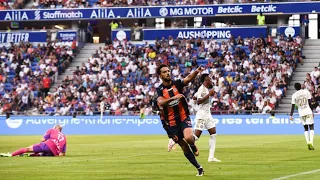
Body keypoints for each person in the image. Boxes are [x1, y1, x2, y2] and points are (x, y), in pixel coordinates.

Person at [156, 64, 204, 176]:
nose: (168, 73)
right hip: (171, 123)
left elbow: (187, 79)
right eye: (164, 72)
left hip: (183, 116)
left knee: (188, 137)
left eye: (168, 71)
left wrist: (196, 71)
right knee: (183, 145)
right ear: (160, 75)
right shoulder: (159, 90)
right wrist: (173, 98)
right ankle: (199, 167)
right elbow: (160, 102)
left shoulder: (176, 83)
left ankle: (192, 144)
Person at [193, 74, 221, 162]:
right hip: (201, 116)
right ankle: (177, 140)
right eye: (209, 79)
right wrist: (208, 95)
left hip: (208, 115)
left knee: (213, 134)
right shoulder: (202, 89)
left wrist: (202, 94)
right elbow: (198, 101)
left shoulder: (202, 89)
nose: (211, 81)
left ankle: (211, 157)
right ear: (206, 80)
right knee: (196, 137)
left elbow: (194, 97)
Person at [0, 125, 67, 157]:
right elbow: (62, 154)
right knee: (42, 154)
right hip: (53, 152)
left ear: (55, 128)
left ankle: (11, 154)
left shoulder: (52, 130)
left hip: (47, 145)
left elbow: (42, 140)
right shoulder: (64, 137)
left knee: (28, 148)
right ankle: (35, 154)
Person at [290, 83, 315, 150]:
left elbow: (292, 106)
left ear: (295, 88)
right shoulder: (306, 92)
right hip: (308, 111)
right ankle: (311, 142)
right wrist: (312, 111)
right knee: (311, 127)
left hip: (301, 113)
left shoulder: (294, 95)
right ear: (301, 86)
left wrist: (291, 115)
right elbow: (310, 102)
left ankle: (307, 142)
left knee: (305, 128)